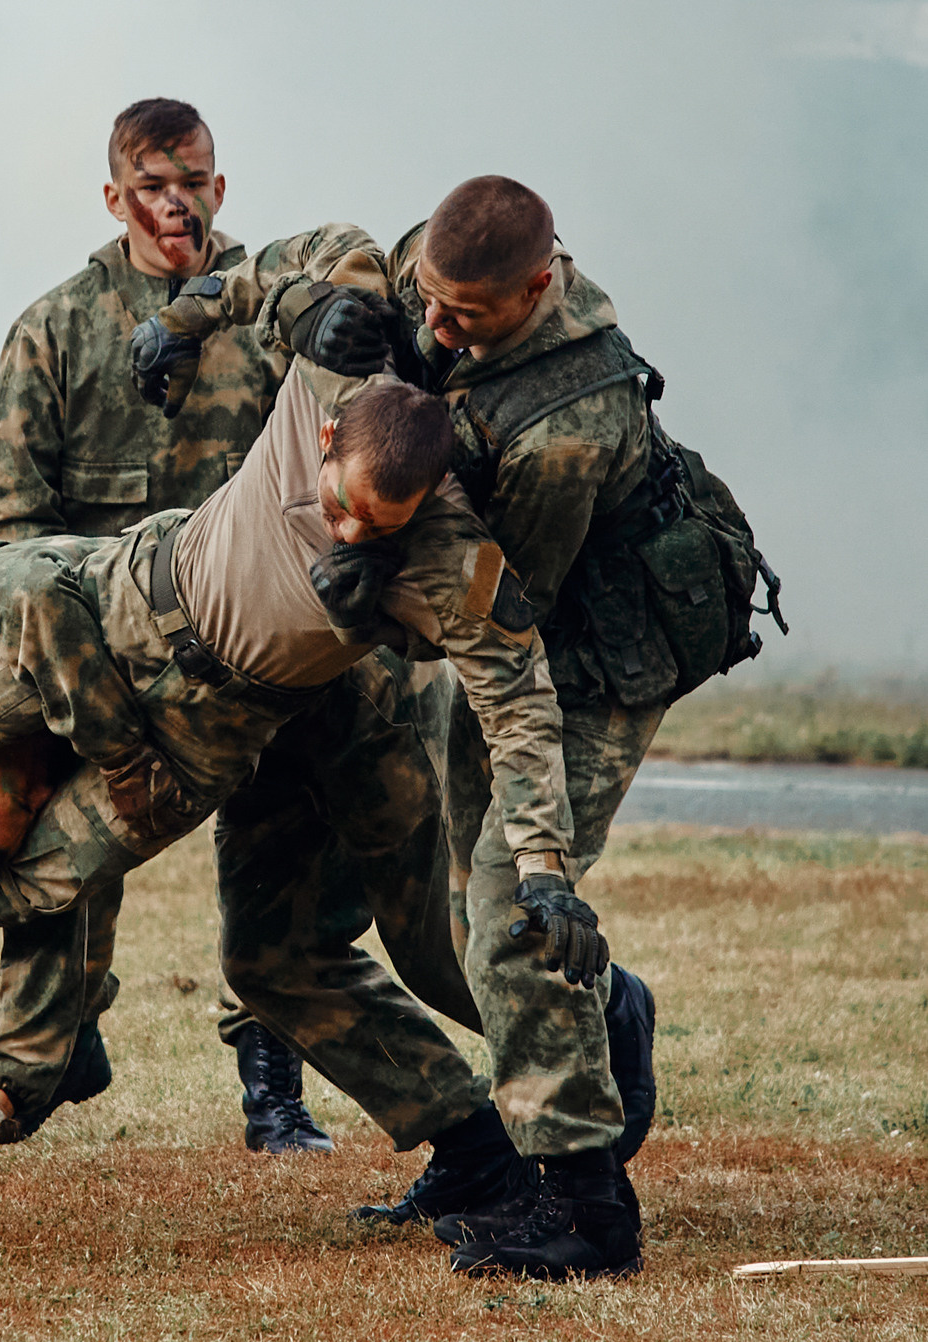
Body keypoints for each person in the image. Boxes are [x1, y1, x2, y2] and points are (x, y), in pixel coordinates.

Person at [0, 358, 580, 1271]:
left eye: (376, 522)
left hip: (298, 724)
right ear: (326, 441)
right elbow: (19, 573)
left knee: (435, 946)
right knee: (80, 867)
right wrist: (17, 1083)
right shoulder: (314, 381)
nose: (348, 529)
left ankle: (584, 1040)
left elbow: (519, 701)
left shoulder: (445, 555)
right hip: (141, 646)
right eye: (343, 503)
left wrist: (545, 865)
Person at [145, 178, 728, 1277]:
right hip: (492, 626)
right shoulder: (431, 274)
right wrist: (220, 318)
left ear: (540, 284)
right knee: (460, 920)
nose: (438, 328)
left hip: (588, 652)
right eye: (430, 303)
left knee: (512, 910)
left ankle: (584, 1207)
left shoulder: (567, 424)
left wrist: (549, 866)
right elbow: (314, 258)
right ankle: (551, 1075)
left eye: (465, 318)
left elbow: (501, 626)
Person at [0, 97, 399, 1153]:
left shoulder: (271, 317)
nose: (178, 205)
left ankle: (272, 1080)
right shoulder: (56, 332)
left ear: (220, 186)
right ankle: (60, 1040)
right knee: (48, 827)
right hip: (114, 655)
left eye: (194, 182)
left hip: (263, 646)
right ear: (114, 199)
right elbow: (9, 530)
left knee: (291, 856)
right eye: (152, 188)